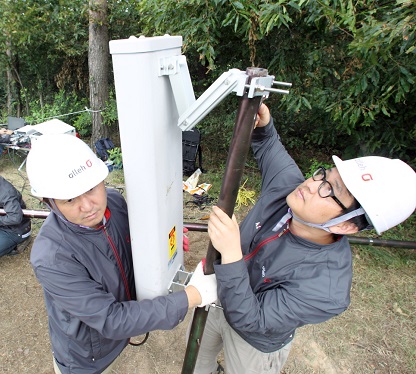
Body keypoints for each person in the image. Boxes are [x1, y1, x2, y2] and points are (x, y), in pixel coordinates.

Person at [194, 104, 416, 373]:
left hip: (253, 340)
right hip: (214, 300)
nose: (311, 184)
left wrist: (230, 256)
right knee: (196, 363)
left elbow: (252, 320)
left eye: (329, 190)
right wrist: (263, 124)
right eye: (323, 174)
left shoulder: (326, 289)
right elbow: (268, 144)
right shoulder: (287, 187)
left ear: (346, 225)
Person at [25, 134, 217, 373]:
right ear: (49, 202)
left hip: (121, 335)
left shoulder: (114, 203)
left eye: (91, 188)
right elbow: (111, 319)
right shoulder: (52, 257)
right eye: (70, 199)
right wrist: (193, 296)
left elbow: (130, 245)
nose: (88, 206)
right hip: (89, 359)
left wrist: (162, 241)